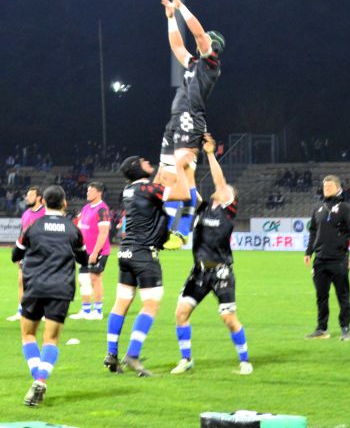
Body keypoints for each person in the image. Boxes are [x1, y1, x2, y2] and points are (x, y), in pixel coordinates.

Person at [171, 134, 252, 375]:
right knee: (181, 313)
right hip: (199, 272)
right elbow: (189, 192)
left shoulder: (228, 209)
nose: (221, 188)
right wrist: (184, 167)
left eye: (225, 188)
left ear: (230, 196)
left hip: (221, 271)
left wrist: (209, 154)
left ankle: (245, 361)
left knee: (228, 318)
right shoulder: (204, 207)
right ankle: (186, 359)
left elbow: (219, 181)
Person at [104, 154, 191, 376]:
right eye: (143, 161)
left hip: (124, 252)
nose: (147, 162)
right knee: (151, 305)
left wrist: (163, 172)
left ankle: (111, 354)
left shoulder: (129, 190)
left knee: (121, 303)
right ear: (136, 167)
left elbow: (156, 192)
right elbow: (182, 194)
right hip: (143, 253)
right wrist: (180, 168)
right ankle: (133, 355)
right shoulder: (147, 189)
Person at [158, 0, 224, 248]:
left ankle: (183, 230)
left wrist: (181, 6)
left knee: (183, 167)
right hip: (175, 119)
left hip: (191, 118)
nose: (201, 42)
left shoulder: (211, 65)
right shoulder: (194, 64)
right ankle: (187, 209)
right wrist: (171, 18)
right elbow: (177, 46)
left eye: (207, 40)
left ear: (213, 47)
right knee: (166, 175)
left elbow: (197, 33)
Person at [12, 185, 89, 407]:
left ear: (43, 203)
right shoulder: (73, 229)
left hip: (35, 287)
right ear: (64, 203)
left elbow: (15, 254)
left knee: (28, 335)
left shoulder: (32, 226)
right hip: (61, 289)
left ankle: (37, 378)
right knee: (51, 339)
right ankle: (41, 380)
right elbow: (83, 260)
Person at [305, 175, 350, 341]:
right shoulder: (318, 210)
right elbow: (313, 233)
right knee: (321, 296)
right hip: (320, 260)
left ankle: (345, 328)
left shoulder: (346, 208)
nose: (326, 189)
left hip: (339, 260)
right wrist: (308, 252)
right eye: (324, 187)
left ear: (338, 188)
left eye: (329, 187)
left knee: (343, 296)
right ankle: (321, 329)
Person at [69, 181, 111, 321]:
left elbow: (103, 233)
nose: (87, 193)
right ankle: (86, 310)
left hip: (98, 251)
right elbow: (79, 228)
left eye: (90, 190)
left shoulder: (102, 210)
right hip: (85, 251)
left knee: (95, 279)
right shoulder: (86, 208)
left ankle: (97, 311)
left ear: (99, 192)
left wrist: (95, 252)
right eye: (87, 190)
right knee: (83, 280)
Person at [7, 186, 47, 321]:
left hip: (41, 253)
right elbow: (21, 234)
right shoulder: (26, 213)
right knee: (22, 281)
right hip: (26, 252)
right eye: (27, 195)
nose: (26, 197)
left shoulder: (46, 213)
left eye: (30, 195)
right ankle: (22, 310)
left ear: (39, 198)